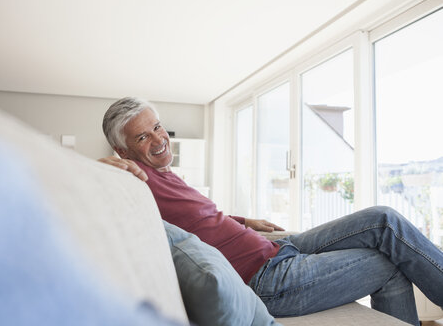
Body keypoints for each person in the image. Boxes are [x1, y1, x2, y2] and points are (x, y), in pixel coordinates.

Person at [99, 97, 443, 326]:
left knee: (383, 219)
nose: (158, 139)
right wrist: (106, 169)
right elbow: (97, 185)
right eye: (142, 137)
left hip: (277, 249)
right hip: (268, 279)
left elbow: (200, 220)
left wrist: (245, 221)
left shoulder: (163, 175)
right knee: (389, 262)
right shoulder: (133, 180)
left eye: (157, 127)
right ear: (122, 150)